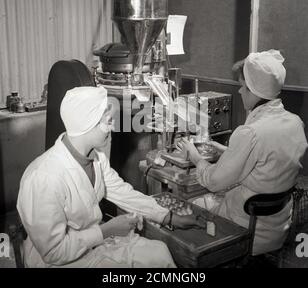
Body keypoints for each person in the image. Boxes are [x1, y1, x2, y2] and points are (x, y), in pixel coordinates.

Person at [17, 86, 204, 268]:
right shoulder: (43, 177)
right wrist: (106, 230)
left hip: (90, 243)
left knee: (159, 252)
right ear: (88, 123)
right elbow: (53, 252)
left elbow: (123, 193)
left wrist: (170, 217)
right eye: (108, 121)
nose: (114, 126)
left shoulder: (96, 158)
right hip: (58, 260)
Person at [177, 50, 308, 255]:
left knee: (187, 206)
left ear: (254, 89)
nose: (239, 91)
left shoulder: (250, 132)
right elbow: (266, 163)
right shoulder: (294, 122)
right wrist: (225, 150)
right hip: (277, 227)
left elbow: (213, 182)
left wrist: (194, 154)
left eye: (242, 86)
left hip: (247, 229)